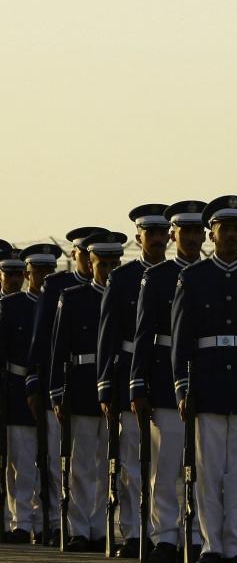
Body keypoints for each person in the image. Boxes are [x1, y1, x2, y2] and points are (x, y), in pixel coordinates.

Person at [171, 195, 237, 563]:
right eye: (224, 229)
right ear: (210, 234)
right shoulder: (193, 277)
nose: (231, 235)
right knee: (209, 470)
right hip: (209, 384)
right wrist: (183, 388)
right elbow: (182, 339)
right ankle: (211, 545)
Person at [129, 200, 206, 563]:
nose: (190, 238)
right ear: (173, 234)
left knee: (202, 468)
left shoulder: (211, 274)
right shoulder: (157, 277)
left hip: (206, 383)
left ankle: (196, 533)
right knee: (166, 465)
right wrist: (138, 385)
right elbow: (143, 334)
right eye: (184, 231)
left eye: (196, 231)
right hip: (163, 381)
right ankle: (165, 537)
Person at [25, 226, 107, 547]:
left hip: (99, 385)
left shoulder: (108, 288)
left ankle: (96, 527)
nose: (88, 259)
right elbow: (43, 339)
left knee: (102, 464)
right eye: (83, 253)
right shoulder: (58, 287)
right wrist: (39, 384)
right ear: (75, 255)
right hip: (69, 383)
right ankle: (70, 526)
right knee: (71, 464)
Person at [98, 203, 170, 558]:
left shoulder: (178, 274)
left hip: (168, 377)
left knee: (167, 463)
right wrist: (107, 386)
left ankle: (163, 532)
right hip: (130, 374)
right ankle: (133, 532)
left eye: (161, 234)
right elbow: (108, 335)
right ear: (139, 237)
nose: (156, 240)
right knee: (131, 461)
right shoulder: (122, 278)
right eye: (150, 234)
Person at [50, 230, 127, 552]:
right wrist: (56, 391)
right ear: (90, 262)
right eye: (102, 264)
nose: (107, 270)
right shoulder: (74, 297)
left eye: (113, 264)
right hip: (82, 385)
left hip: (116, 386)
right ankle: (80, 528)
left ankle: (101, 527)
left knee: (110, 462)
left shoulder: (127, 297)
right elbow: (58, 348)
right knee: (82, 465)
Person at [0, 244, 60, 543]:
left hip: (52, 390)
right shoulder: (12, 306)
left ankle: (52, 521)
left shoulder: (62, 303)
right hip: (18, 392)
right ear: (28, 274)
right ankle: (21, 522)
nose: (44, 277)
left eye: (49, 272)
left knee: (53, 463)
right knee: (20, 464)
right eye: (38, 272)